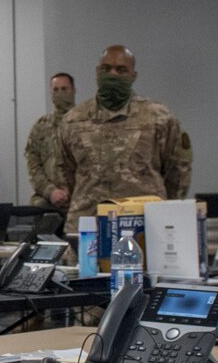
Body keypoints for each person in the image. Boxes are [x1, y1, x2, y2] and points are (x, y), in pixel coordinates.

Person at [54, 46, 191, 233]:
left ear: (133, 76)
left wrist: (163, 209)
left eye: (121, 70)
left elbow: (178, 171)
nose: (113, 74)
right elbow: (66, 171)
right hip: (88, 225)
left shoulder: (158, 117)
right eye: (106, 69)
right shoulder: (73, 120)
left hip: (144, 225)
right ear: (97, 72)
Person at [24, 72, 76, 211]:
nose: (60, 93)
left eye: (64, 89)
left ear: (74, 90)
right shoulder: (41, 126)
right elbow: (33, 165)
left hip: (80, 196)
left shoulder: (86, 123)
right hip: (47, 198)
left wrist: (72, 189)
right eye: (55, 90)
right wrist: (50, 191)